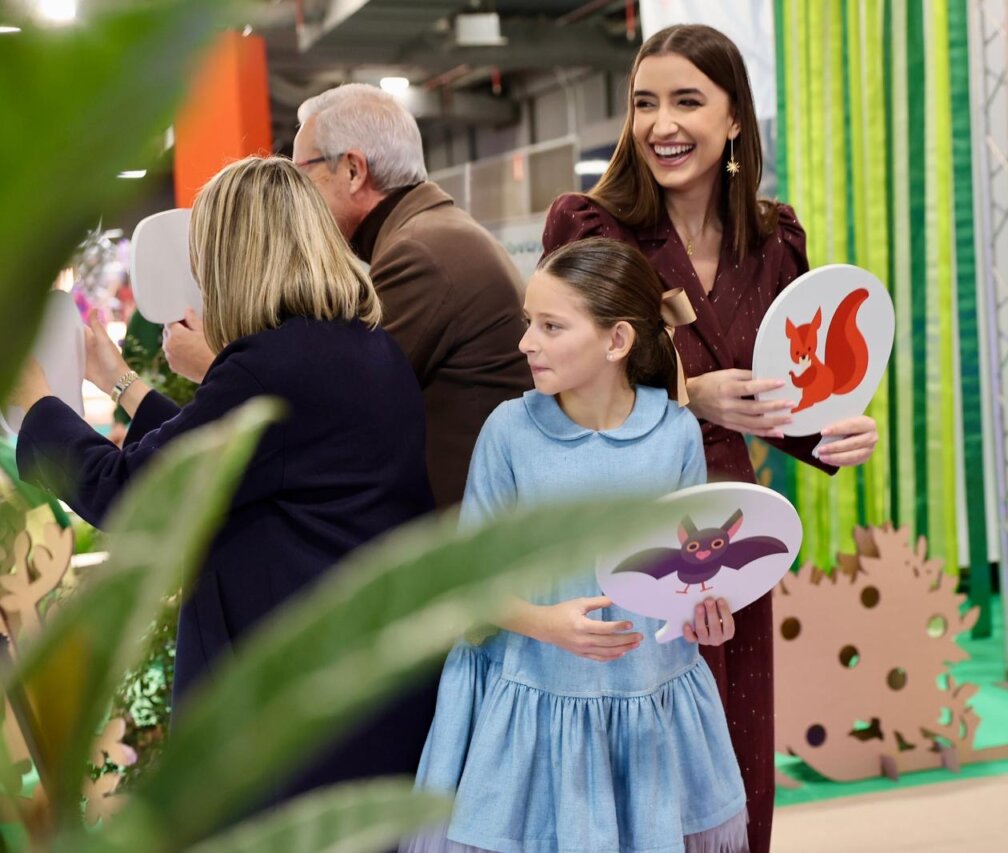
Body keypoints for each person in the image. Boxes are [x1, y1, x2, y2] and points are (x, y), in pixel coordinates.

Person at [541, 24, 880, 852]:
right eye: (644, 103)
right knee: (633, 767)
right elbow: (558, 384)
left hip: (732, 538)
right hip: (622, 526)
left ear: (734, 119)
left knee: (731, 758)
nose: (662, 124)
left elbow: (785, 398)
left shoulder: (772, 241)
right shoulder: (591, 230)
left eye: (687, 101)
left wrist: (831, 433)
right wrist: (692, 397)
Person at [11, 156, 437, 805]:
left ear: (233, 256)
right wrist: (120, 382)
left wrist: (37, 402)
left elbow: (135, 494)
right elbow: (234, 457)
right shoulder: (361, 346)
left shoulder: (268, 367)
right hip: (362, 690)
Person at [404, 237, 747, 853]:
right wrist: (544, 624)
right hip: (535, 706)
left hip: (650, 716)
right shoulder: (508, 433)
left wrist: (707, 619)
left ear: (617, 341)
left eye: (550, 326)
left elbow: (689, 580)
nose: (525, 343)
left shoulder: (676, 434)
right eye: (528, 322)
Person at [163, 83, 531, 508]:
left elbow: (328, 407)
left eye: (301, 174)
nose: (295, 197)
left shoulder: (420, 254)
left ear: (354, 170)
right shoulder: (430, 234)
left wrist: (212, 363)